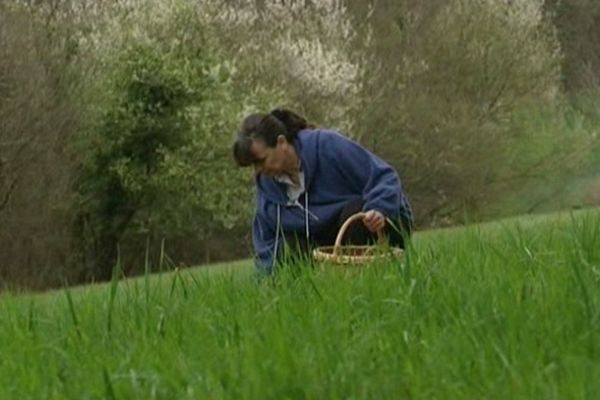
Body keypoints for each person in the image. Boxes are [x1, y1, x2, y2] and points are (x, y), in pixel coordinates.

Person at [232, 108, 413, 275]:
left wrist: (379, 208)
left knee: (356, 212)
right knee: (291, 242)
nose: (258, 171)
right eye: (253, 165)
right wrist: (267, 282)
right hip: (325, 239)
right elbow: (266, 244)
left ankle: (367, 278)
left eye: (261, 161)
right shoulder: (267, 187)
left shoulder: (327, 145)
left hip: (378, 225)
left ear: (281, 143)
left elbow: (385, 177)